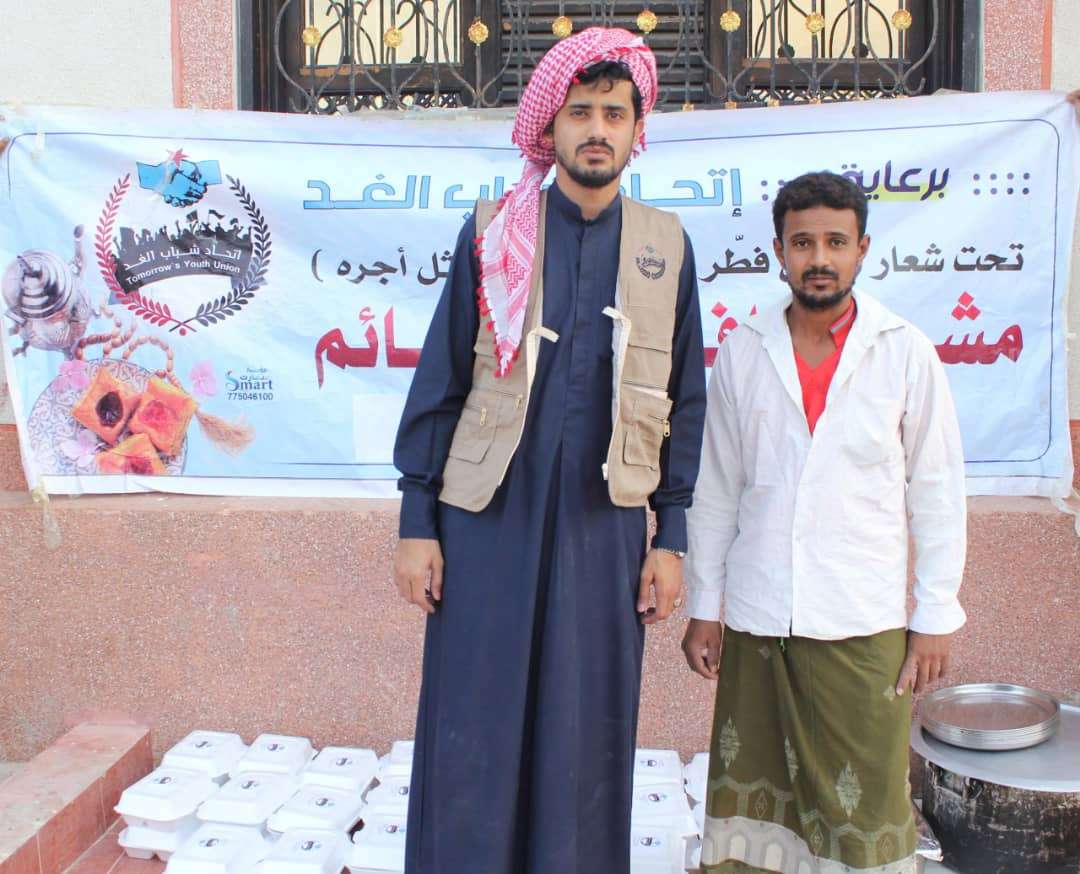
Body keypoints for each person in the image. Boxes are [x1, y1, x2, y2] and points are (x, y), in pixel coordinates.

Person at [392, 27, 707, 874]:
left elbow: (685, 402)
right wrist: (417, 522)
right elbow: (441, 379)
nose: (597, 129)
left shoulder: (666, 245)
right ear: (550, 125)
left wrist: (670, 538)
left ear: (637, 129)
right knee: (474, 720)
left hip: (604, 527)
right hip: (486, 520)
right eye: (581, 112)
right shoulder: (496, 232)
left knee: (586, 728)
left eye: (614, 113)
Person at [682, 171, 967, 873]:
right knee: (755, 807)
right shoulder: (744, 350)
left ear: (862, 249)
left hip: (862, 621)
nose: (819, 258)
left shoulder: (904, 351)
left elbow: (937, 491)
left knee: (864, 811)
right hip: (759, 620)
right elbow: (717, 490)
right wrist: (705, 607)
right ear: (778, 251)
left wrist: (934, 613)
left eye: (836, 242)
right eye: (802, 242)